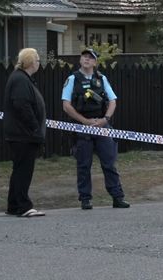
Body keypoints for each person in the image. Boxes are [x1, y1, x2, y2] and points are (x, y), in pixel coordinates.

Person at [61, 48, 130, 210]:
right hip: (82, 127)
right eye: (84, 56)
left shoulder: (102, 78)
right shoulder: (72, 79)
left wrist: (105, 119)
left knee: (109, 163)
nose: (86, 59)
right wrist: (84, 121)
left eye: (90, 57)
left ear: (95, 62)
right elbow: (66, 106)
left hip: (101, 126)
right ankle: (85, 199)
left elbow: (113, 101)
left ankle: (117, 197)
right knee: (83, 165)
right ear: (80, 60)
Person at [3, 48, 46, 217]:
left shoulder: (21, 78)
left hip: (20, 133)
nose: (38, 63)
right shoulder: (21, 79)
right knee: (24, 170)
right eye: (36, 60)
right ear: (30, 62)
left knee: (19, 168)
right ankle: (23, 206)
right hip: (23, 134)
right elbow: (22, 105)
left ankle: (13, 204)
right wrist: (35, 128)